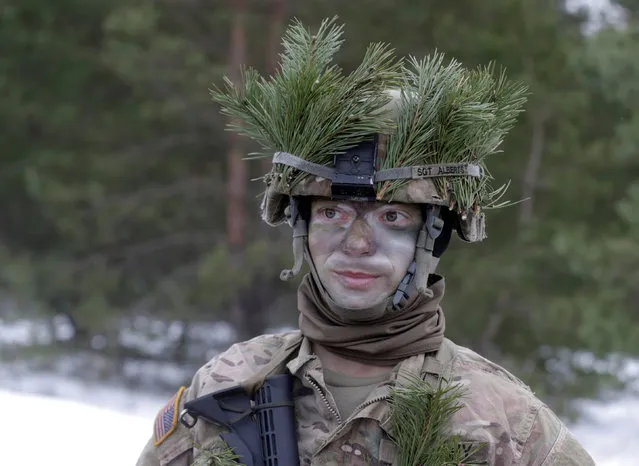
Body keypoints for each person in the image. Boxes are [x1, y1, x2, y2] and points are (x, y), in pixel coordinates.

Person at [137, 18, 595, 466]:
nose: (356, 244)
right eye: (331, 213)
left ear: (432, 237)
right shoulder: (228, 385)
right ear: (303, 227)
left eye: (391, 217)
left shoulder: (504, 425)